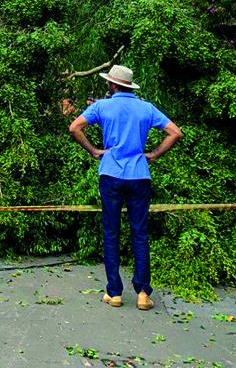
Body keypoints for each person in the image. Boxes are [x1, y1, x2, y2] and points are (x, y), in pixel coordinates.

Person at [68, 64, 181, 311]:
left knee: (111, 232)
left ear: (112, 84)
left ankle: (115, 293)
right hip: (139, 176)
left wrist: (94, 151)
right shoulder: (146, 108)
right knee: (139, 233)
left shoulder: (102, 106)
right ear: (128, 85)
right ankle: (142, 293)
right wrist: (154, 154)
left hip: (110, 174)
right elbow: (174, 132)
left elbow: (74, 127)